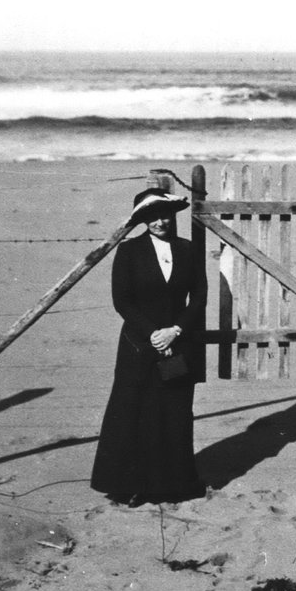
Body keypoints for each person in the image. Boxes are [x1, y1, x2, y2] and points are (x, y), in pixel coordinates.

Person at [91, 188, 208, 508]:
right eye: (152, 217)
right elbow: (122, 300)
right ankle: (130, 485)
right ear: (143, 220)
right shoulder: (129, 251)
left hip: (177, 344)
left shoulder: (188, 250)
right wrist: (153, 333)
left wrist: (176, 330)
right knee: (134, 412)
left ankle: (174, 485)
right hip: (139, 346)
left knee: (174, 413)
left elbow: (198, 297)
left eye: (165, 215)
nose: (160, 222)